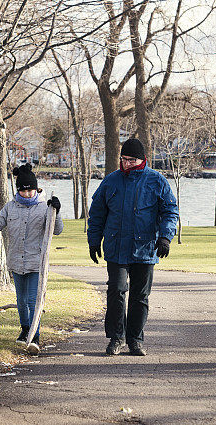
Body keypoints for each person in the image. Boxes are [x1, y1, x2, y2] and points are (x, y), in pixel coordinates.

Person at [87, 138, 179, 356]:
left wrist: (165, 237)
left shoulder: (157, 181)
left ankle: (135, 339)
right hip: (116, 246)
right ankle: (116, 338)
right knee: (116, 291)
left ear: (142, 159)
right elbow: (97, 213)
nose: (127, 163)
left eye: (132, 160)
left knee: (140, 296)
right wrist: (93, 240)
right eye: (124, 159)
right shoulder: (111, 182)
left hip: (145, 248)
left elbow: (170, 211)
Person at [0, 163, 62, 355]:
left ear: (36, 188)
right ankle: (25, 330)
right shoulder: (10, 207)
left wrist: (57, 211)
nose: (27, 194)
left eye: (31, 190)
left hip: (36, 262)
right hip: (16, 261)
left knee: (33, 300)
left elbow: (57, 230)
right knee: (21, 301)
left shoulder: (45, 207)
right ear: (18, 191)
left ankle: (35, 336)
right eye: (23, 191)